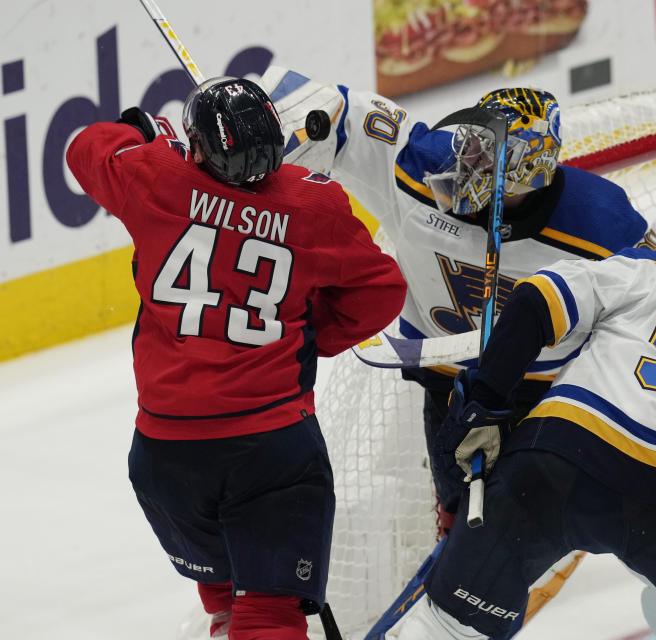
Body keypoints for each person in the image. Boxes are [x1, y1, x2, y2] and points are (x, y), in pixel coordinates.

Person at [257, 67, 656, 535]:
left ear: (528, 169)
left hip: (551, 387)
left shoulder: (601, 223)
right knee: (458, 509)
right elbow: (336, 110)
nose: (467, 162)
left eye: (488, 156)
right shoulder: (416, 167)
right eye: (470, 143)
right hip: (448, 377)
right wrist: (267, 122)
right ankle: (455, 545)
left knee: (540, 514)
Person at [66, 76, 406, 640]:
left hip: (165, 456)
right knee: (269, 614)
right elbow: (381, 292)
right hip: (270, 449)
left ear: (198, 147)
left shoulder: (154, 176)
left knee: (226, 603)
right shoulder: (313, 201)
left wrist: (142, 133)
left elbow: (85, 149)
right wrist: (303, 335)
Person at [384, 211, 656, 640]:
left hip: (552, 457)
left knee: (450, 624)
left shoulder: (653, 271)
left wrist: (485, 404)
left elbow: (535, 300)